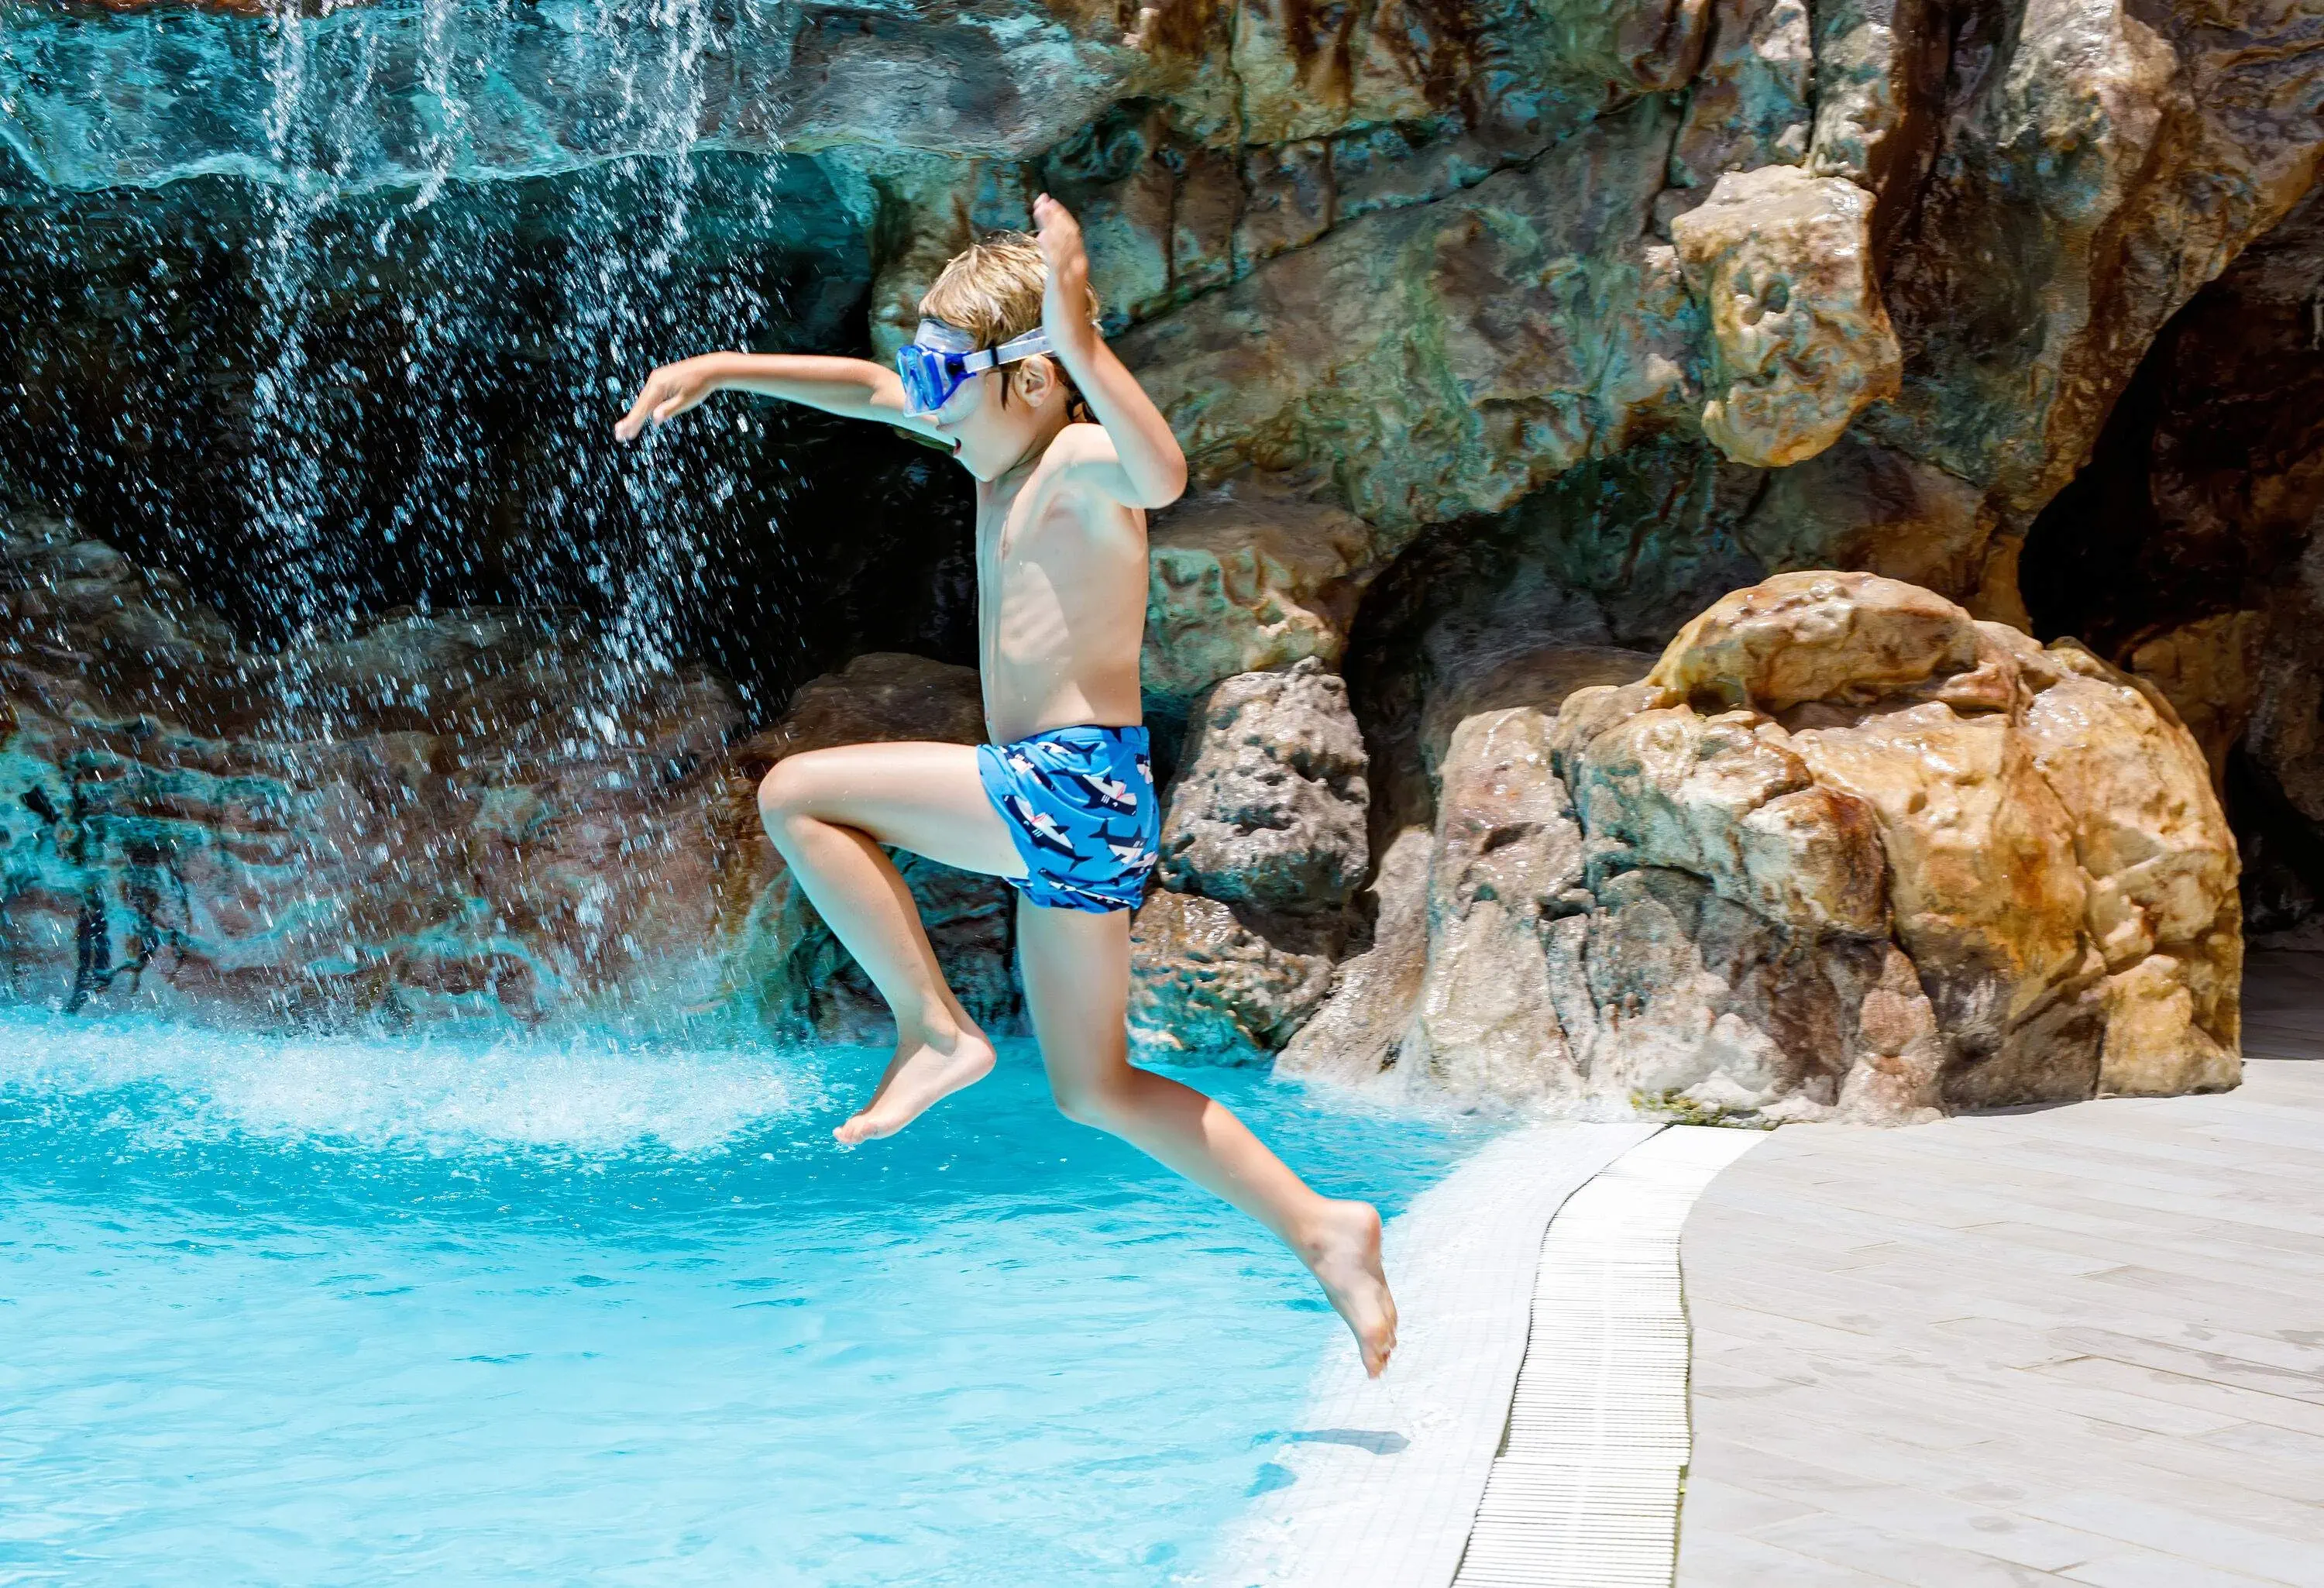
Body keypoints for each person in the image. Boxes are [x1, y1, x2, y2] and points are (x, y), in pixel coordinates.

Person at [614, 195, 1397, 1377]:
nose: (921, 396)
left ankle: (935, 1030)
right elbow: (867, 391)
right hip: (1084, 806)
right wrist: (725, 369)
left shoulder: (1079, 459)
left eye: (945, 375)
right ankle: (1322, 1225)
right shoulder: (997, 455)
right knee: (1096, 1088)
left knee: (798, 796)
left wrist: (1081, 342)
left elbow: (1165, 469)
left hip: (1065, 782)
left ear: (1028, 380)